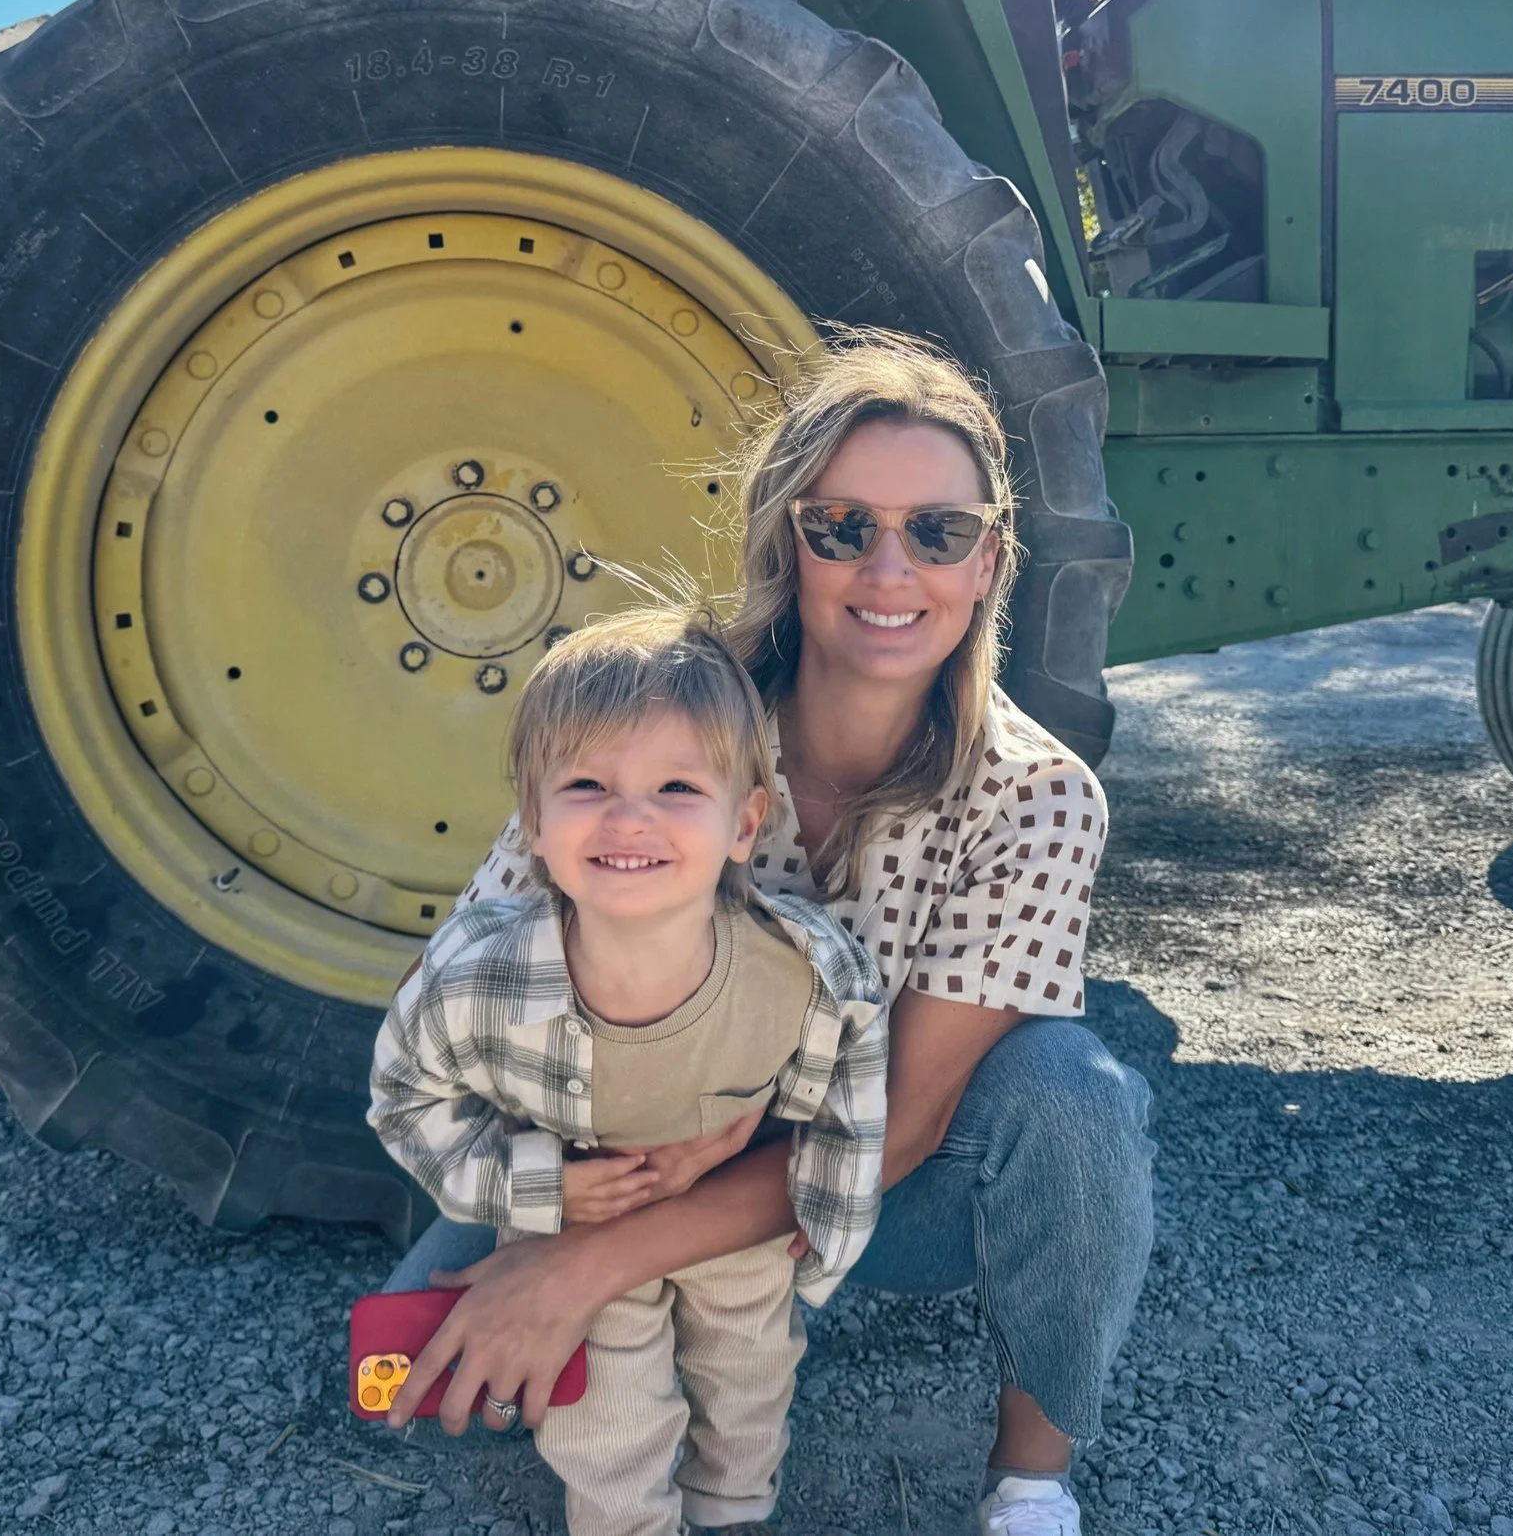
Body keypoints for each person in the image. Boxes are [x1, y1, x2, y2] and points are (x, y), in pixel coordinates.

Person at [385, 330, 1156, 1536]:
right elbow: (484, 951)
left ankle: (1030, 1478)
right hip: (621, 1139)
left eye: (938, 531)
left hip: (865, 1186)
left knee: (1075, 1095)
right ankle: (664, 1330)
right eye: (841, 526)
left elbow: (898, 1127)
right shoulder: (662, 708)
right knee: (425, 1378)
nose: (889, 568)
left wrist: (584, 1266)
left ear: (989, 558)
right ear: (787, 543)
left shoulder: (1039, 798)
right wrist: (556, 1192)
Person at [368, 605, 890, 1536]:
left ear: (745, 823)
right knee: (605, 1411)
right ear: (533, 821)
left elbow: (847, 1090)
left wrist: (824, 1223)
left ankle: (732, 1509)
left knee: (750, 1367)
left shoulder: (803, 970)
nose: (629, 817)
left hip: (727, 1202)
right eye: (587, 784)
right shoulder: (478, 975)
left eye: (677, 787)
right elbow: (404, 1099)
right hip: (572, 1209)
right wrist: (538, 1188)